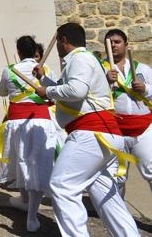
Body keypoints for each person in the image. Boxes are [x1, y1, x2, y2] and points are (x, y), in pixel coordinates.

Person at [32, 22, 139, 237]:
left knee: (62, 186)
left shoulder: (79, 58)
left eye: (59, 43)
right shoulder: (88, 60)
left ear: (63, 41)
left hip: (91, 133)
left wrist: (48, 90)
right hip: (104, 133)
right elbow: (75, 95)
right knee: (105, 195)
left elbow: (77, 91)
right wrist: (44, 79)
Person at [0, 36, 59, 232]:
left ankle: (31, 214)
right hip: (41, 122)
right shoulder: (46, 69)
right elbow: (55, 89)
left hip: (17, 124)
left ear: (19, 51)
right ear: (34, 51)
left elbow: (1, 92)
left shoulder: (9, 70)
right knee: (36, 166)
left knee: (23, 164)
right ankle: (27, 206)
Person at [102, 29, 152, 193]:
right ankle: (119, 217)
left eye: (117, 42)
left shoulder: (142, 69)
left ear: (126, 45)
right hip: (116, 131)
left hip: (144, 130)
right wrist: (105, 81)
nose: (114, 45)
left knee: (151, 171)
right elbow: (92, 97)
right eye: (110, 43)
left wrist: (145, 89)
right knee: (117, 177)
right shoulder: (101, 70)